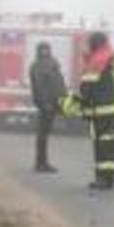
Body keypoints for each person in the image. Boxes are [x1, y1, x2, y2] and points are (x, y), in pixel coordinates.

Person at [64, 31, 114, 190]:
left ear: (94, 44)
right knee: (109, 143)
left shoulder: (96, 61)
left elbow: (87, 89)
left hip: (103, 111)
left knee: (102, 144)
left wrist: (75, 106)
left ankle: (103, 179)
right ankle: (109, 179)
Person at [29, 41, 66, 173]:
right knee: (42, 135)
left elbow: (59, 84)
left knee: (45, 134)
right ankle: (40, 164)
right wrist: (45, 103)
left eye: (47, 49)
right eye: (42, 49)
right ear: (38, 51)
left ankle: (43, 163)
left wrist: (63, 99)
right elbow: (40, 87)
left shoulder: (53, 63)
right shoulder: (38, 65)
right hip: (46, 104)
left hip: (54, 102)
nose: (45, 51)